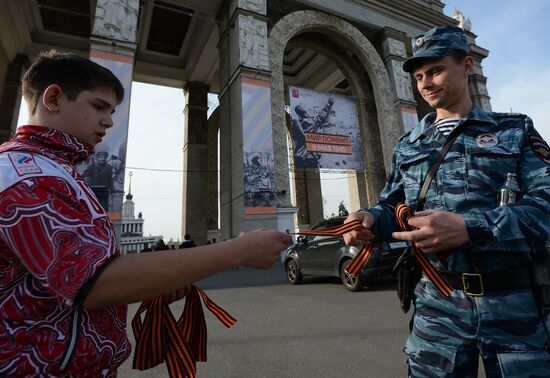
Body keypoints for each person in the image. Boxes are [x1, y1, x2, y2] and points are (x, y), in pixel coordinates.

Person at [0, 50, 291, 376]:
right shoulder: (23, 177)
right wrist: (237, 250)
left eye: (112, 111)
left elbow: (75, 279)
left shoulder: (59, 172)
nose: (109, 121)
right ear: (53, 98)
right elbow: (94, 284)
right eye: (99, 107)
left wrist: (159, 281)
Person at [343, 25, 550, 377]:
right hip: (438, 305)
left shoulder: (514, 130)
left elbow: (545, 204)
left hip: (516, 304)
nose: (425, 83)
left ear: (467, 65)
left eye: (436, 70)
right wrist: (369, 220)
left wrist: (473, 228)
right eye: (420, 75)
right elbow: (395, 208)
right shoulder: (408, 145)